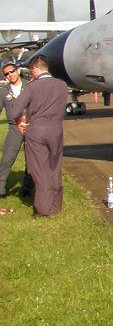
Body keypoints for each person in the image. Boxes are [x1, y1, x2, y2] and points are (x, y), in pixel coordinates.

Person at [16, 55, 69, 216]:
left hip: (37, 130)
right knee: (54, 167)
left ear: (34, 69)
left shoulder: (32, 87)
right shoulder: (62, 85)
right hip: (56, 129)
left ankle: (44, 209)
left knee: (39, 169)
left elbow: (16, 109)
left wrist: (19, 121)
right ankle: (55, 206)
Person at [0, 63, 27, 197]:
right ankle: (1, 189)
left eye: (11, 71)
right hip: (13, 128)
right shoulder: (4, 91)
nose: (10, 75)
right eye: (6, 74)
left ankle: (27, 189)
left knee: (32, 160)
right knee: (7, 158)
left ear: (18, 71)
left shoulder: (30, 86)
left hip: (30, 127)